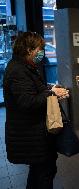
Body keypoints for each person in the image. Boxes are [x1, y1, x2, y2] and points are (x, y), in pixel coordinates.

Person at [3, 32, 69, 189]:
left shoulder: (24, 66)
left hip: (33, 134)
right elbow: (28, 102)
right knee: (43, 174)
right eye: (40, 48)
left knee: (40, 172)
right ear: (28, 50)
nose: (42, 52)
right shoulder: (18, 71)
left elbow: (32, 91)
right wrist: (52, 93)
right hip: (30, 135)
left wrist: (50, 89)